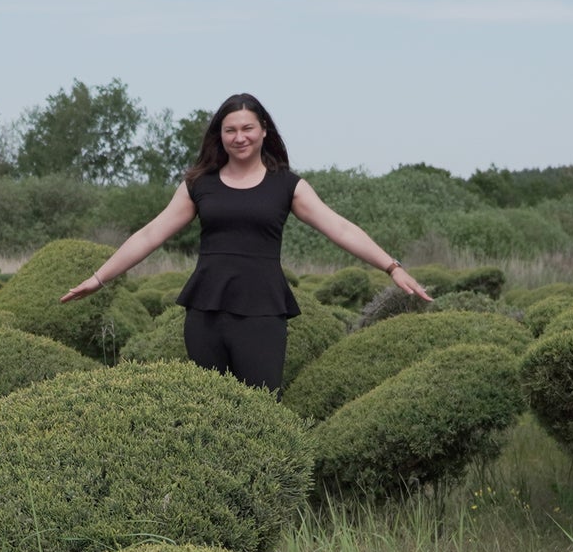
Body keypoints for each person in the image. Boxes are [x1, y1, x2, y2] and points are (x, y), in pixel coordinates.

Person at [59, 93, 432, 393]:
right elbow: (150, 234)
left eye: (247, 128)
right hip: (205, 313)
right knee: (210, 410)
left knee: (261, 410)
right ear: (219, 135)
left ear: (264, 130)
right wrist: (99, 278)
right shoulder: (198, 185)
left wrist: (392, 266)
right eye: (230, 130)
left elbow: (341, 228)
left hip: (263, 313)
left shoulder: (287, 185)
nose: (240, 137)